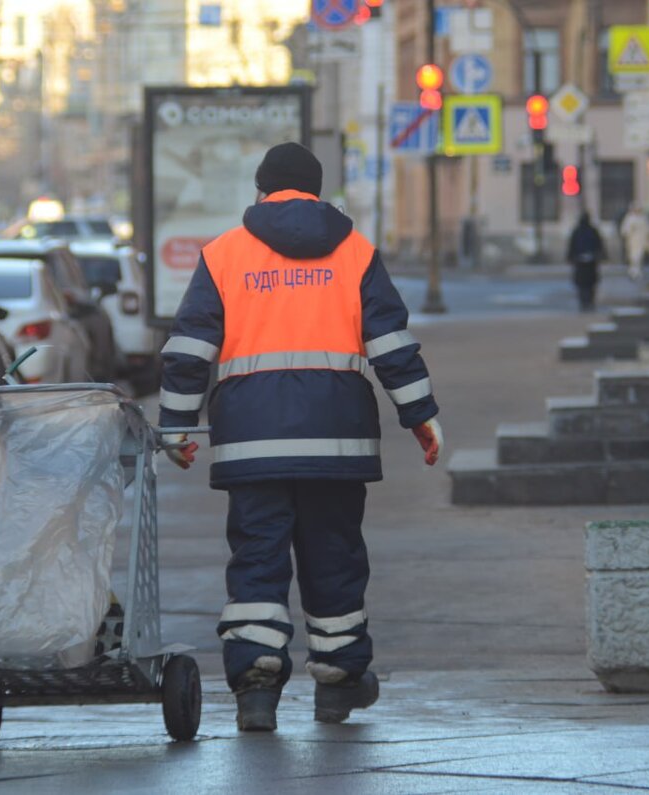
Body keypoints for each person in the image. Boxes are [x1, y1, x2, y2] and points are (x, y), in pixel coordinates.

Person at [157, 142, 444, 732]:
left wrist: (177, 428)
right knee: (334, 554)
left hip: (251, 443)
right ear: (317, 193)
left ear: (261, 191)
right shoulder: (356, 251)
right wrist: (419, 415)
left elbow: (189, 351)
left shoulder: (224, 254)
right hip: (337, 440)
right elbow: (391, 344)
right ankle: (339, 680)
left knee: (257, 557)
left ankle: (257, 684)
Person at [567, 212, 606, 311]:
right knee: (588, 284)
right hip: (588, 262)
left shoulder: (578, 231)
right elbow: (599, 245)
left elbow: (572, 246)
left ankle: (585, 301)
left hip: (584, 262)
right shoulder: (591, 231)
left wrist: (571, 257)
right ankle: (587, 301)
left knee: (584, 284)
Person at [619, 202, 649, 282]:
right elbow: (624, 230)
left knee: (639, 257)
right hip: (632, 241)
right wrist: (631, 230)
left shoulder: (643, 218)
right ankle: (633, 272)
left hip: (641, 241)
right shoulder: (629, 218)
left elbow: (647, 230)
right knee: (633, 258)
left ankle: (637, 272)